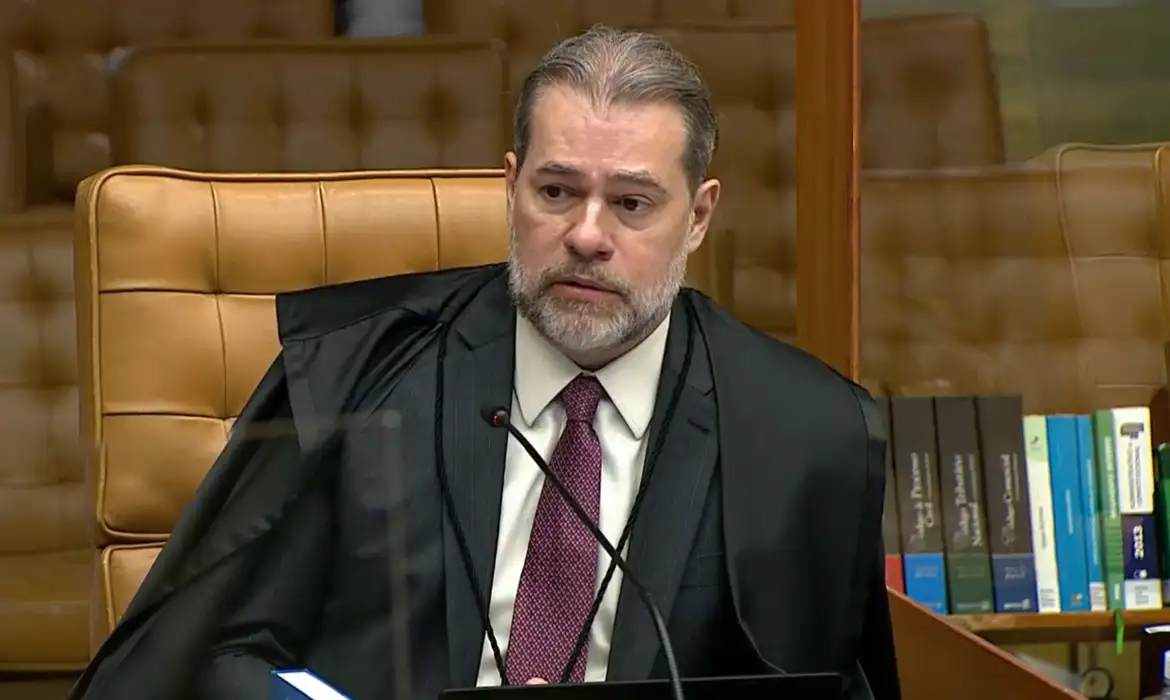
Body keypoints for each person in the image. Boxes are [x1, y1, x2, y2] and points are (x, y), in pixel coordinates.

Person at [68, 25, 899, 700]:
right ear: (511, 186)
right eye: (556, 191)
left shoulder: (807, 431)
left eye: (632, 203)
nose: (587, 235)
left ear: (699, 216)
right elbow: (213, 654)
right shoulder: (355, 380)